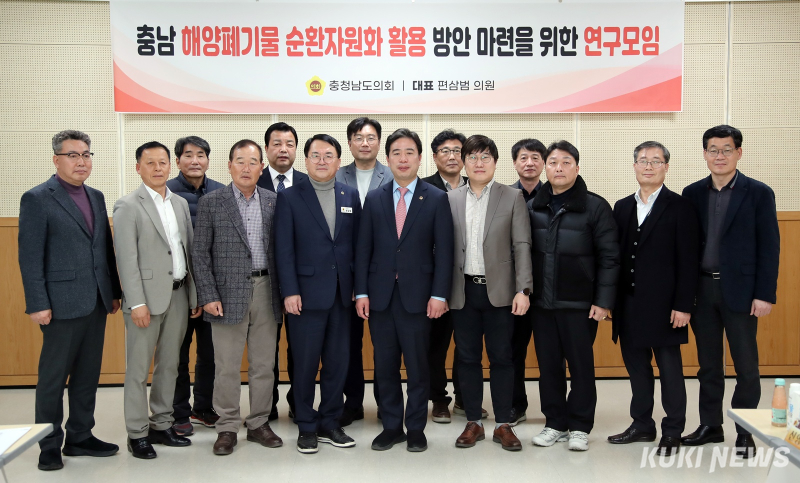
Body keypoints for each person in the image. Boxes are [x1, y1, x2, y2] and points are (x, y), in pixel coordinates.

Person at [19, 130, 122, 471]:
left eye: (86, 155)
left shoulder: (96, 196)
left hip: (96, 300)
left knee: (87, 375)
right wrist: (37, 302)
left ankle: (80, 436)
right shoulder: (37, 198)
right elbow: (29, 257)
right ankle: (48, 445)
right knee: (53, 379)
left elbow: (104, 248)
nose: (81, 161)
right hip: (59, 303)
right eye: (73, 155)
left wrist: (114, 292)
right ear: (56, 159)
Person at [681, 125, 780, 458]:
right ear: (704, 154)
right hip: (702, 288)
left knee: (746, 367)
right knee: (708, 366)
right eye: (713, 149)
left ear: (739, 152)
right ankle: (710, 426)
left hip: (742, 291)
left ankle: (745, 431)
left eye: (726, 149)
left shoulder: (759, 192)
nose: (719, 156)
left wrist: (764, 294)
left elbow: (770, 247)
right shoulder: (692, 193)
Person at [355, 128, 454, 452]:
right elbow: (363, 249)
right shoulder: (375, 198)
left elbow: (445, 251)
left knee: (417, 367)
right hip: (380, 297)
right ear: (387, 158)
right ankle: (391, 427)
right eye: (396, 152)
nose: (403, 158)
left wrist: (439, 295)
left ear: (420, 158)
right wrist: (361, 292)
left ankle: (415, 428)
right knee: (384, 367)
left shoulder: (436, 198)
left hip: (420, 298)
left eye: (409, 152)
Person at [607, 141, 699, 457]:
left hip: (666, 307)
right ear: (634, 166)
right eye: (643, 160)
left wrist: (684, 305)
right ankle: (642, 424)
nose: (649, 166)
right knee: (638, 370)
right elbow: (615, 258)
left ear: (666, 167)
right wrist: (610, 301)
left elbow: (688, 260)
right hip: (628, 304)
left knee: (670, 371)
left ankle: (672, 430)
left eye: (656, 161)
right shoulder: (621, 207)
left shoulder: (681, 207)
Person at [193, 140, 284, 455]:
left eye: (253, 162)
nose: (247, 168)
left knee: (264, 364)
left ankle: (258, 423)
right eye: (240, 161)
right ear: (229, 165)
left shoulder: (274, 201)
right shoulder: (211, 202)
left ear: (262, 167)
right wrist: (207, 294)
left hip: (267, 289)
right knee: (227, 366)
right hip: (225, 294)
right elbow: (200, 253)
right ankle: (227, 427)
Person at [528, 140, 619, 451]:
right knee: (548, 367)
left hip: (580, 303)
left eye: (566, 162)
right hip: (541, 303)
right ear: (545, 168)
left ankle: (580, 426)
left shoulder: (595, 206)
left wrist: (603, 301)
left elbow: (610, 257)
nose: (559, 168)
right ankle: (555, 423)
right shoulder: (533, 206)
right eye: (553, 162)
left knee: (581, 367)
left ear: (577, 168)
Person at [275, 134, 362, 453]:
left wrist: (358, 287)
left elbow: (358, 245)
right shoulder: (290, 196)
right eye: (315, 155)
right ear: (306, 160)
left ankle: (330, 422)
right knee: (305, 364)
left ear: (339, 162)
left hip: (342, 295)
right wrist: (289, 291)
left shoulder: (349, 194)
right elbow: (283, 249)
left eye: (328, 155)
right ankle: (306, 425)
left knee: (338, 363)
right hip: (305, 296)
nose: (322, 161)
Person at [113, 141, 200, 459]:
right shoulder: (127, 206)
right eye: (150, 163)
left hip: (178, 295)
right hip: (145, 302)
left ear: (170, 165)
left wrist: (194, 295)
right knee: (138, 371)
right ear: (138, 168)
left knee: (170, 366)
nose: (158, 168)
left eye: (163, 162)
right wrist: (136, 302)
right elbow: (126, 259)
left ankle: (162, 424)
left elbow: (188, 251)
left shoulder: (179, 203)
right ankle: (137, 433)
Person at [448, 135, 532, 451]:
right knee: (467, 358)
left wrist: (523, 289)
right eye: (472, 157)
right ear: (464, 162)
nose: (478, 163)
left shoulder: (512, 197)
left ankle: (503, 424)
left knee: (502, 358)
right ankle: (473, 421)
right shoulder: (451, 199)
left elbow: (521, 245)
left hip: (500, 293)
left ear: (495, 163)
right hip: (463, 291)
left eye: (485, 157)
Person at [420, 129, 482, 424]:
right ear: (434, 157)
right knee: (436, 344)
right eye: (445, 151)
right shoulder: (423, 189)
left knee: (467, 344)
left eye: (458, 150)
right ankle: (438, 399)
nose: (452, 156)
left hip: (468, 279)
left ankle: (464, 397)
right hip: (435, 281)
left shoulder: (477, 187)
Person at [336, 117, 394, 426]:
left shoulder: (393, 175)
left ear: (379, 143)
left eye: (371, 137)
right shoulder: (336, 174)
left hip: (384, 272)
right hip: (346, 273)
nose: (365, 143)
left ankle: (387, 404)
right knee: (349, 343)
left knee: (386, 346)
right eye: (358, 137)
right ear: (349, 143)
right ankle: (353, 403)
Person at [167, 136, 225, 436]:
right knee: (177, 353)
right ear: (178, 161)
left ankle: (203, 406)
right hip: (177, 288)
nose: (195, 161)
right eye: (188, 155)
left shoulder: (220, 192)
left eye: (200, 155)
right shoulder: (165, 192)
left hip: (212, 288)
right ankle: (178, 411)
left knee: (210, 353)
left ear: (208, 160)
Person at [257, 122, 308, 421]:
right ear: (267, 149)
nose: (283, 149)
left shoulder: (308, 182)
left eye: (289, 144)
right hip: (264, 280)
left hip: (301, 281)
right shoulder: (253, 180)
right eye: (276, 144)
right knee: (266, 348)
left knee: (299, 347)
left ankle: (298, 403)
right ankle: (268, 405)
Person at [508, 138, 547, 425]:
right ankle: (515, 405)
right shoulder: (505, 196)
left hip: (547, 288)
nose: (529, 162)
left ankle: (553, 412)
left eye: (535, 157)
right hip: (514, 290)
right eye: (523, 157)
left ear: (543, 163)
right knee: (513, 352)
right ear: (514, 163)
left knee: (550, 355)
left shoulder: (556, 195)